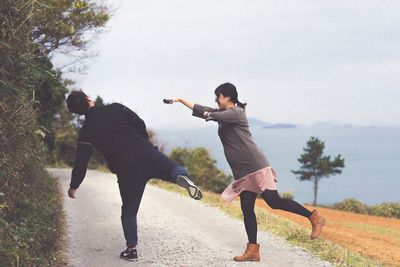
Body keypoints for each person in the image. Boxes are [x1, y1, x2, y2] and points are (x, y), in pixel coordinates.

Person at [165, 83, 326, 262]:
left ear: (227, 96)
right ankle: (253, 250)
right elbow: (203, 109)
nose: (216, 99)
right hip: (243, 172)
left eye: (218, 96)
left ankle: (313, 217)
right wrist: (179, 100)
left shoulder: (236, 113)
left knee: (274, 201)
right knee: (247, 208)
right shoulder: (224, 114)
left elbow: (210, 113)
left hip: (255, 166)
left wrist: (208, 114)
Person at [65, 91, 202, 262]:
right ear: (88, 99)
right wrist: (142, 144)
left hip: (125, 168)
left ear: (76, 112)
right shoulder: (116, 108)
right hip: (145, 152)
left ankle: (132, 249)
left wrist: (74, 185)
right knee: (170, 168)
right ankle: (180, 176)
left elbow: (81, 161)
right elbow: (139, 123)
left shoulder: (86, 131)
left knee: (129, 210)